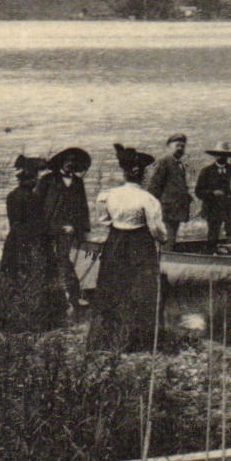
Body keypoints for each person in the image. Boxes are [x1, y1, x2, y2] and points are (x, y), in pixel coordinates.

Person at [87, 144, 167, 352]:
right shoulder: (148, 199)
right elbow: (157, 230)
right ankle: (138, 341)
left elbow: (103, 219)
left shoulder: (108, 195)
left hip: (115, 242)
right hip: (140, 245)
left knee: (113, 287)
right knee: (140, 290)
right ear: (140, 174)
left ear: (125, 172)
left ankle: (107, 339)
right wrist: (163, 239)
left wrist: (118, 224)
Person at [0, 154, 69, 331]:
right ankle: (36, 320)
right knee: (37, 276)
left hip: (14, 242)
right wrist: (61, 230)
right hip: (32, 243)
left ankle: (4, 317)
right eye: (36, 177)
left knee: (11, 277)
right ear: (31, 178)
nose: (37, 180)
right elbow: (39, 226)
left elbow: (15, 222)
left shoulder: (11, 196)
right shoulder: (33, 199)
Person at [37, 146, 92, 308]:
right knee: (49, 259)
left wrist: (84, 229)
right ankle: (51, 296)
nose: (69, 164)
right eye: (67, 161)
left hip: (70, 229)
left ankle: (73, 296)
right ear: (61, 162)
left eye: (73, 162)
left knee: (63, 259)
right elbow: (38, 204)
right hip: (48, 228)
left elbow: (83, 207)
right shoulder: (47, 180)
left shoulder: (78, 182)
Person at [194, 141, 231, 243]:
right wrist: (212, 193)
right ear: (214, 155)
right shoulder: (206, 171)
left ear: (228, 156)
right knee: (213, 236)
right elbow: (198, 192)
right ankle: (212, 255)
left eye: (224, 155)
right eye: (219, 154)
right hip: (213, 209)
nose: (221, 157)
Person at [145, 133, 191, 247]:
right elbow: (154, 187)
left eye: (182, 146)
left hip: (175, 211)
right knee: (167, 241)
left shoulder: (179, 164)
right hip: (166, 211)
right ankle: (166, 260)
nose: (180, 148)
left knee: (171, 239)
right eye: (177, 145)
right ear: (169, 147)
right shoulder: (164, 161)